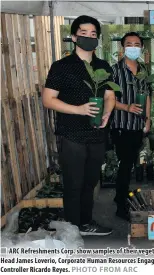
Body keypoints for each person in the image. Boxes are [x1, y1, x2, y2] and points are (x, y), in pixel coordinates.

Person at [42, 15, 116, 236]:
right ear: (74, 37)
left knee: (90, 182)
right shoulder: (61, 67)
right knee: (73, 184)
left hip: (96, 134)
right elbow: (48, 99)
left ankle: (85, 223)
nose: (89, 37)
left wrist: (107, 112)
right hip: (72, 134)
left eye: (94, 34)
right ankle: (72, 229)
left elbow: (110, 95)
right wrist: (79, 109)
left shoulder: (102, 66)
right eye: (84, 33)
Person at [110, 32, 151, 220]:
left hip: (138, 126)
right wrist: (126, 107)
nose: (133, 47)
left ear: (141, 47)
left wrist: (148, 118)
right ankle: (120, 205)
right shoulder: (114, 71)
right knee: (125, 164)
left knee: (130, 163)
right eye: (129, 44)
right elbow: (107, 100)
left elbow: (148, 96)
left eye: (136, 44)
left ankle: (121, 193)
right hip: (121, 125)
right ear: (123, 47)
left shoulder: (144, 71)